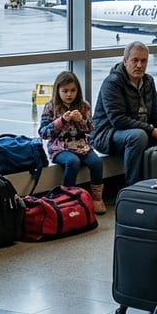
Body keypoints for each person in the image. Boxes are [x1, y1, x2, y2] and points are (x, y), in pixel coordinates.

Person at [91, 42, 157, 186]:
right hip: (107, 134)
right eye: (135, 60)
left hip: (138, 128)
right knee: (138, 136)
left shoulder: (148, 81)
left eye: (144, 61)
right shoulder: (112, 83)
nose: (139, 65)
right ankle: (132, 189)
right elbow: (118, 120)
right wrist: (152, 130)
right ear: (125, 61)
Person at [39, 70, 106, 215]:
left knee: (97, 162)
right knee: (73, 162)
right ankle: (67, 198)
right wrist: (61, 120)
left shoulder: (84, 106)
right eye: (65, 91)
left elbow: (91, 129)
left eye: (73, 90)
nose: (69, 94)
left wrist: (80, 120)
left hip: (81, 145)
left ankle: (97, 198)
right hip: (59, 147)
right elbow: (43, 132)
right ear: (58, 91)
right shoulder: (50, 107)